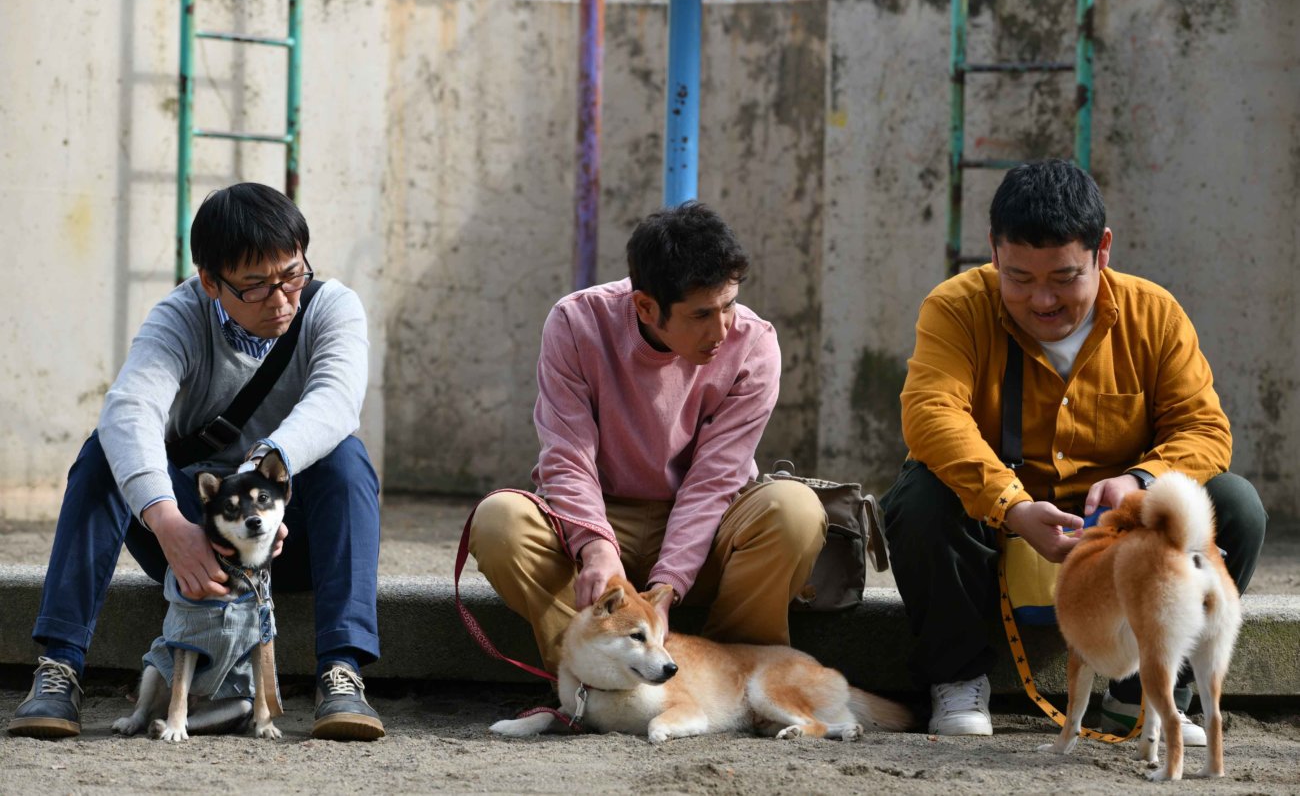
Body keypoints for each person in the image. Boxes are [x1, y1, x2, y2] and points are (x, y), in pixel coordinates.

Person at [881, 160, 1266, 738]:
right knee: (919, 496)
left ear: (1102, 250)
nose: (1041, 301)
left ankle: (1151, 693)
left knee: (1233, 504)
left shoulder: (1154, 314)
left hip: (1122, 543)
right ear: (992, 249)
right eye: (1018, 278)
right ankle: (956, 678)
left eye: (1064, 279)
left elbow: (1205, 429)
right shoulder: (955, 306)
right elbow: (931, 416)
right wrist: (1011, 505)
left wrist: (1141, 483)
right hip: (994, 532)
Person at [7, 183, 385, 741]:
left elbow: (336, 399)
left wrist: (264, 476)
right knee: (102, 452)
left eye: (291, 274)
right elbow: (129, 410)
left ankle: (342, 671)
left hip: (291, 540)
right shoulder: (180, 318)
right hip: (195, 550)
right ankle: (59, 668)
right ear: (211, 281)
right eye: (256, 286)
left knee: (347, 457)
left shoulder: (332, 308)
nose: (281, 299)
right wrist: (168, 524)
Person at [469, 201, 826, 674]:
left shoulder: (755, 344)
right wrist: (596, 547)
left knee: (795, 510)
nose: (721, 329)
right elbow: (567, 456)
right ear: (645, 306)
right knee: (499, 520)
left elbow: (714, 481)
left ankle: (730, 676)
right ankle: (585, 679)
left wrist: (668, 585)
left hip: (707, 524)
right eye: (701, 314)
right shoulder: (577, 323)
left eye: (729, 305)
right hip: (596, 516)